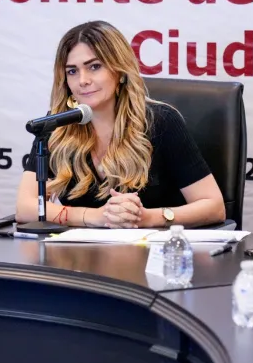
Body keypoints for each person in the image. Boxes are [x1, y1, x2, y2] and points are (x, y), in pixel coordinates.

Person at [15, 20, 225, 228]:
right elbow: (25, 208)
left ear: (120, 71)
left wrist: (147, 218)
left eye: (94, 67)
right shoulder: (58, 125)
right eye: (72, 71)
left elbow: (214, 207)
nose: (83, 80)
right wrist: (94, 216)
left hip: (156, 246)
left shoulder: (161, 121)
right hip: (82, 248)